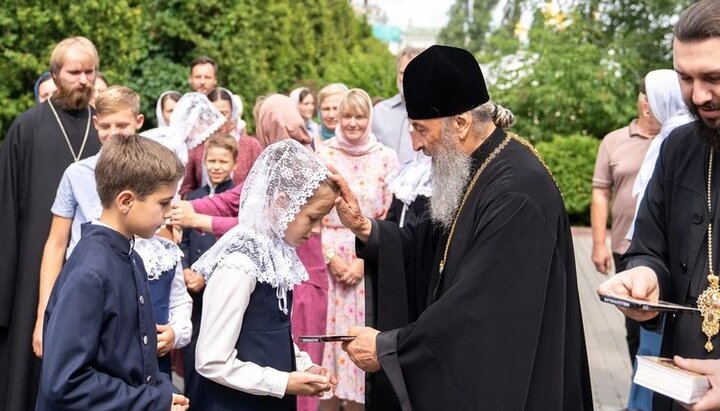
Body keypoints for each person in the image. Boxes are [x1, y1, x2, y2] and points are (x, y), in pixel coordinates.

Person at [334, 45, 593, 410]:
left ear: (461, 123)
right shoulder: (473, 166)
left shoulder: (517, 190)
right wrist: (367, 229)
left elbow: (478, 309)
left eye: (421, 129)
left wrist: (389, 348)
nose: (416, 144)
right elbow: (434, 248)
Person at [597, 2, 720, 408]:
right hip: (678, 386)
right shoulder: (679, 148)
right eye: (685, 78)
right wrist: (645, 279)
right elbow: (651, 249)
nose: (698, 95)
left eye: (713, 77)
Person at [36, 133, 189, 410]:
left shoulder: (130, 256)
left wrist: (165, 390)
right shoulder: (90, 272)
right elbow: (65, 381)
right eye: (163, 203)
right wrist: (152, 401)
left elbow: (134, 358)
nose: (169, 213)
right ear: (126, 201)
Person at [192, 139, 338, 410]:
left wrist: (303, 365)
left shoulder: (276, 257)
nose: (317, 230)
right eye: (312, 217)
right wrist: (282, 382)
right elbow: (211, 359)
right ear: (283, 203)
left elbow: (270, 333)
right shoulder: (239, 264)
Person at [0, 36, 102, 411]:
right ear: (56, 74)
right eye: (74, 72)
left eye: (89, 71)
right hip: (32, 263)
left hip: (92, 262)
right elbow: (6, 207)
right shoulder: (26, 128)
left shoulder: (103, 128)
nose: (83, 80)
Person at [33, 85, 145, 358]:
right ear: (95, 123)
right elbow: (56, 244)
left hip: (133, 288)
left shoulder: (149, 173)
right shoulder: (76, 173)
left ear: (138, 122)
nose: (113, 133)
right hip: (83, 286)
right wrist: (42, 314)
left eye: (122, 124)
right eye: (105, 125)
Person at [316, 88, 399, 411]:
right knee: (328, 347)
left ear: (370, 119)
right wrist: (330, 257)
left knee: (359, 343)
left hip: (368, 259)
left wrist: (364, 263)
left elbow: (390, 219)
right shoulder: (325, 154)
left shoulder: (386, 158)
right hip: (329, 260)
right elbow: (310, 213)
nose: (352, 123)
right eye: (347, 115)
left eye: (360, 116)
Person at [591, 77, 660, 367]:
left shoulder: (675, 138)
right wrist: (598, 245)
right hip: (625, 247)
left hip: (663, 252)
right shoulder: (614, 140)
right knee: (635, 328)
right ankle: (639, 395)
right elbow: (600, 192)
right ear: (644, 104)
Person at [179, 132, 238, 403]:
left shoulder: (236, 200)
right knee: (191, 355)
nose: (216, 166)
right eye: (211, 160)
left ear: (234, 164)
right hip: (192, 293)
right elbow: (183, 243)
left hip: (221, 288)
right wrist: (186, 270)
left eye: (222, 161)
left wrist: (206, 275)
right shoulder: (193, 196)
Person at [179, 87, 263, 196]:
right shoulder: (197, 145)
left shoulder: (251, 145)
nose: (220, 119)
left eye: (224, 113)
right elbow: (186, 187)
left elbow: (259, 184)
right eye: (214, 113)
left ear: (232, 113)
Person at [372, 46, 424, 165]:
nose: (406, 78)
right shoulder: (378, 112)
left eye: (413, 72)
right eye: (402, 72)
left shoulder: (438, 115)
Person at [315, 83, 348, 148]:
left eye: (336, 108)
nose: (331, 115)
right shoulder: (308, 146)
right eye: (326, 109)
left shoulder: (359, 146)